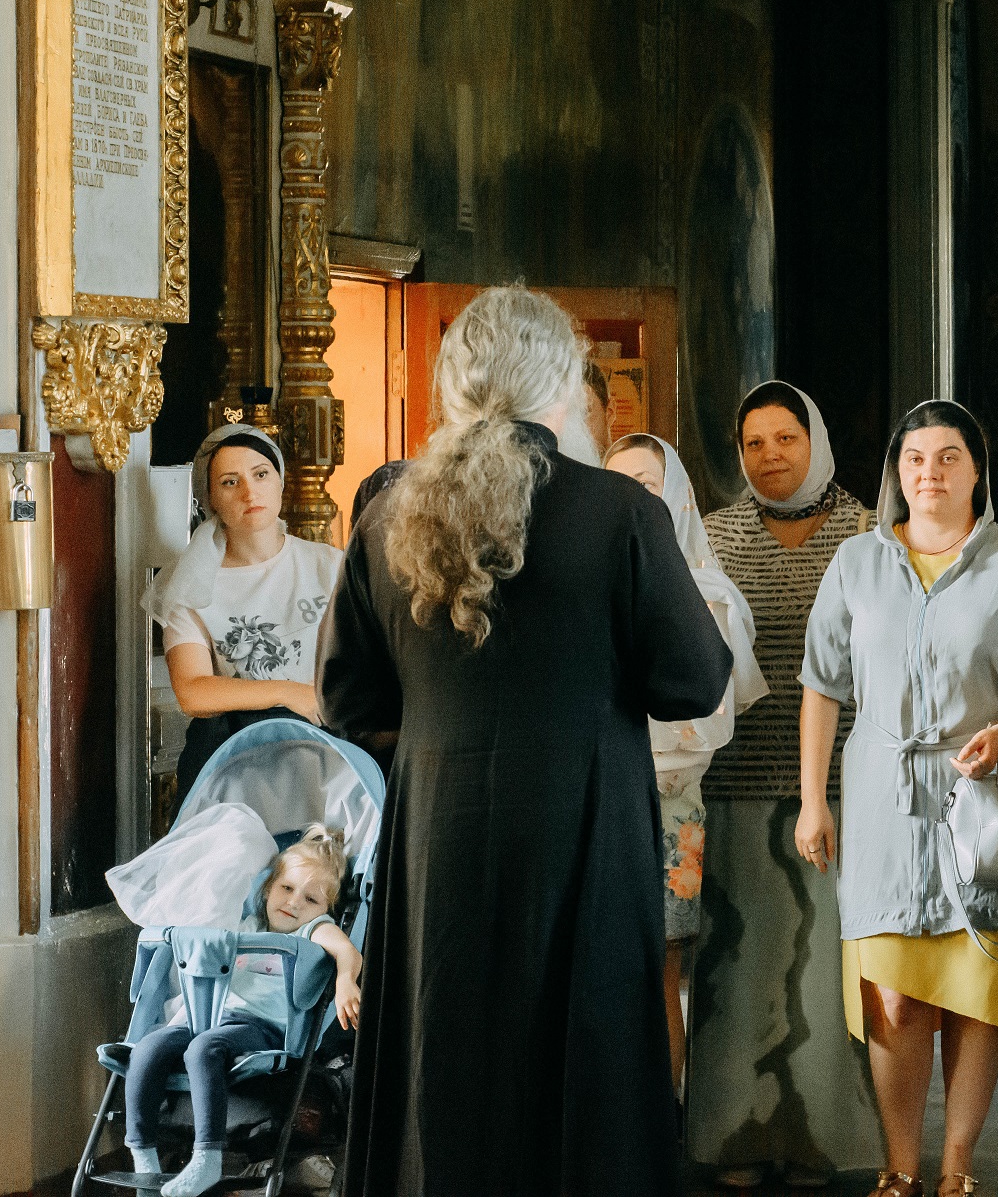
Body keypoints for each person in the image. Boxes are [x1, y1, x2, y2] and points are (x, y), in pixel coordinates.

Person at [317, 286, 732, 1197]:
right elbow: (697, 679)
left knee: (444, 1053)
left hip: (438, 838)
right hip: (584, 831)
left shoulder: (388, 517)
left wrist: (439, 727)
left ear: (451, 387)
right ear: (563, 388)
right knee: (584, 1058)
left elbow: (346, 700)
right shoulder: (620, 513)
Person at [797, 400, 998, 1197]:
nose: (931, 473)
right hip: (881, 800)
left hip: (986, 798)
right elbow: (822, 685)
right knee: (892, 991)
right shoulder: (856, 562)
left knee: (977, 988)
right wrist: (813, 799)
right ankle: (899, 1166)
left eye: (949, 456)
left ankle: (957, 1167)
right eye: (916, 458)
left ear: (976, 470)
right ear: (897, 471)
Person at [690, 381, 882, 1188]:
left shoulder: (868, 531)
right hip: (731, 783)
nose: (770, 455)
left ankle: (821, 1143)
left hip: (841, 792)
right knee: (734, 975)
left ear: (816, 440)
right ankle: (732, 1140)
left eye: (786, 438)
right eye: (754, 443)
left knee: (827, 978)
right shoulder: (711, 535)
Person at [603, 432, 768, 1098]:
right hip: (595, 802)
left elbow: (705, 724)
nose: (631, 496)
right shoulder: (585, 581)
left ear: (675, 494)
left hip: (667, 805)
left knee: (661, 969)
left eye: (646, 483)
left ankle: (656, 1126)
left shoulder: (707, 593)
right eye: (617, 483)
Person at [124, 825, 362, 1197]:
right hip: (209, 1016)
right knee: (147, 1048)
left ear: (323, 909)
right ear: (268, 888)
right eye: (287, 888)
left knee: (203, 1050)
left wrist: (346, 980)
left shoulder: (312, 930)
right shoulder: (246, 925)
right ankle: (144, 1157)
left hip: (264, 1027)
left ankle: (207, 1159)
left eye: (311, 899)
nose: (295, 903)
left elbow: (347, 951)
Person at [145, 424, 344, 795]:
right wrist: (289, 693)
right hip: (235, 761)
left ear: (280, 481)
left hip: (330, 752)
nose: (250, 492)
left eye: (261, 474)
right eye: (230, 482)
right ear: (210, 498)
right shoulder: (189, 584)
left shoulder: (332, 567)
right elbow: (192, 692)